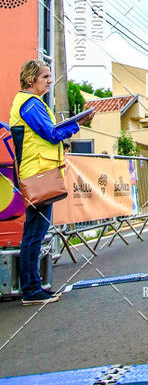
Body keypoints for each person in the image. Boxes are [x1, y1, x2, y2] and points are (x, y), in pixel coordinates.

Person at [9, 60, 93, 305]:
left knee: (34, 232)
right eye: (45, 76)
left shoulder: (27, 102)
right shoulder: (31, 104)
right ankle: (31, 289)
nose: (49, 81)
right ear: (30, 79)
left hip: (37, 173)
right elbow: (52, 134)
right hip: (38, 175)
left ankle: (32, 286)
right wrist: (77, 123)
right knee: (34, 233)